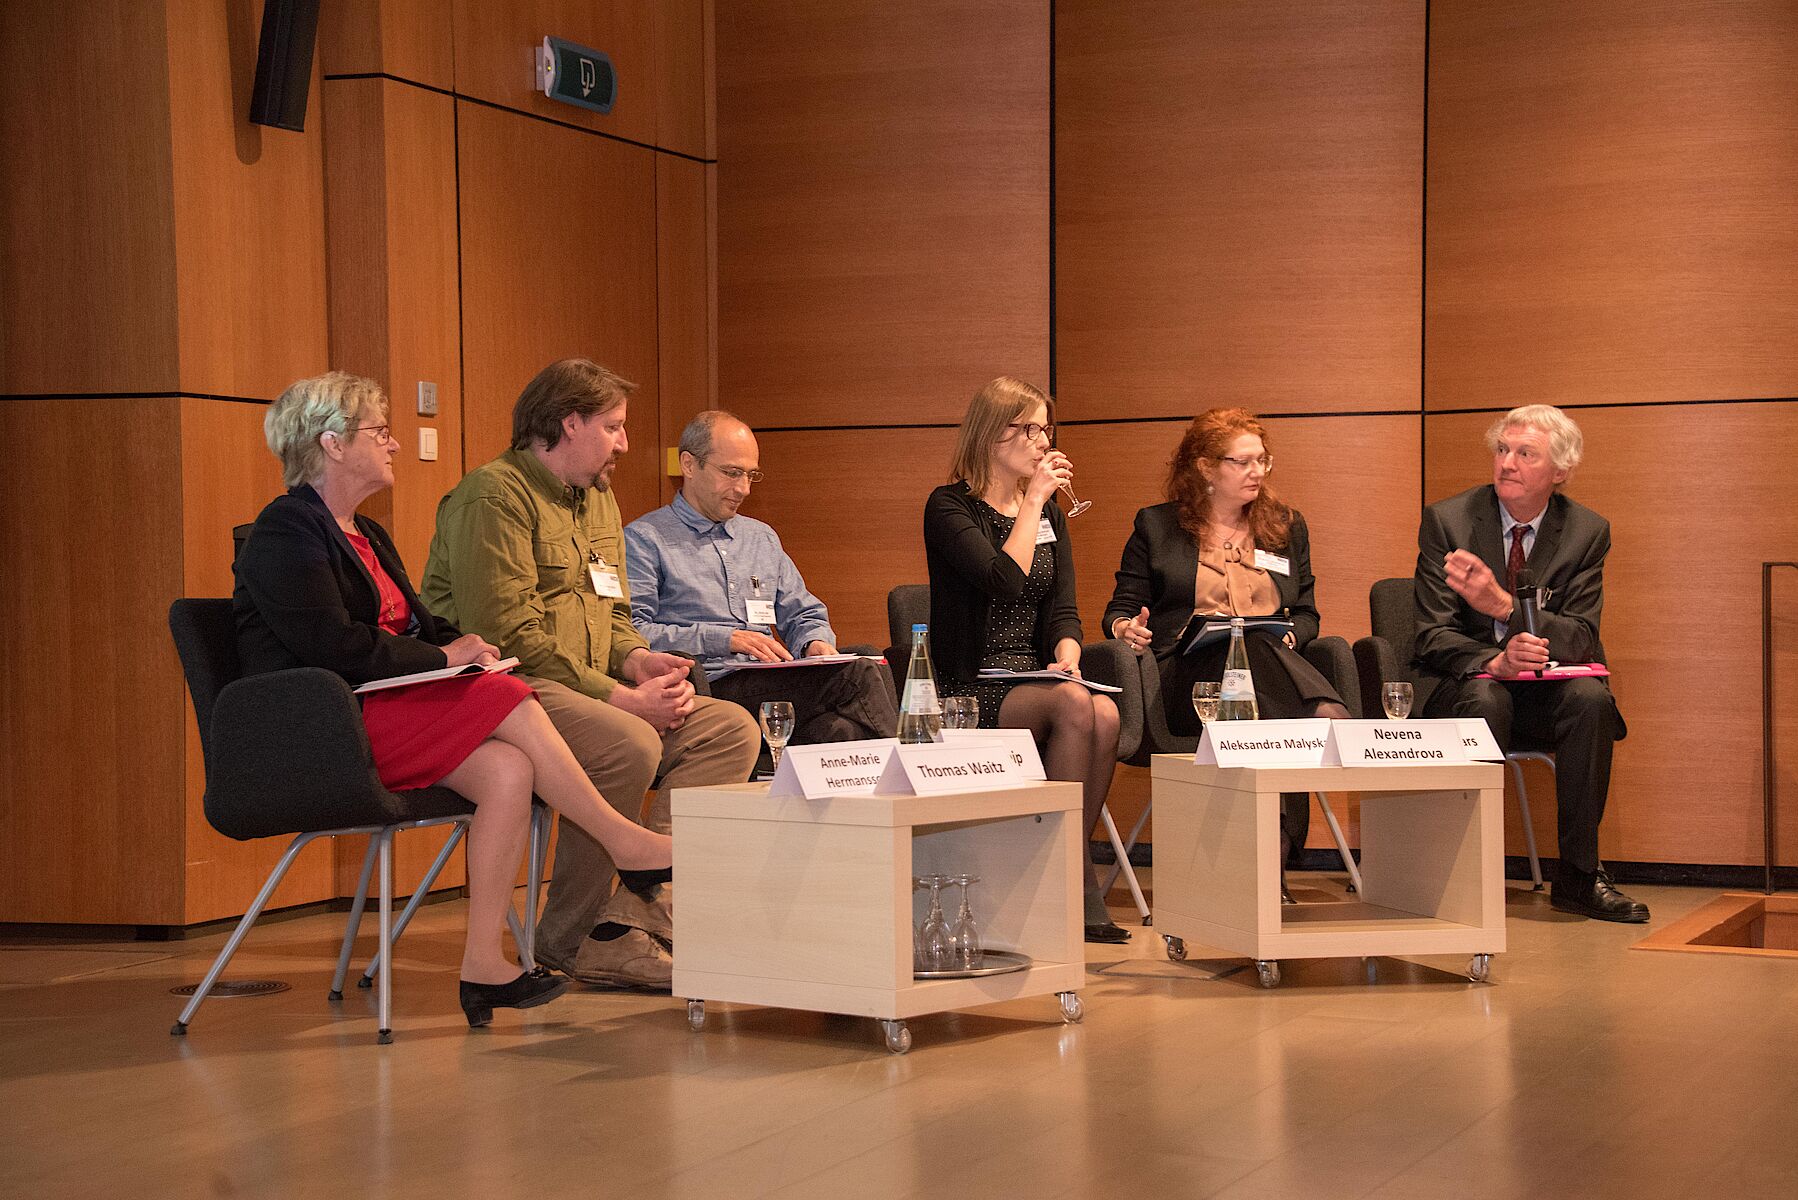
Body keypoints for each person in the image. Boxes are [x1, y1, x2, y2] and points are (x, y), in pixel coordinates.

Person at [233, 372, 673, 1027]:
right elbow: (333, 645)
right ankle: (623, 842)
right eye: (379, 432)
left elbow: (415, 625)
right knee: (507, 696)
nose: (394, 444)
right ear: (331, 443)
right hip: (324, 727)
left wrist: (465, 647)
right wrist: (446, 660)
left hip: (382, 708)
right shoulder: (285, 529)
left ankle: (484, 965)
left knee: (508, 768)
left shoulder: (366, 532)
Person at [421, 359, 760, 990]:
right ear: (569, 423)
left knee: (730, 729)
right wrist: (622, 699)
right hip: (505, 690)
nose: (625, 444)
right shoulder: (493, 497)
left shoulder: (598, 498)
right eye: (613, 427)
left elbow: (614, 613)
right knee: (626, 741)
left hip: (584, 684)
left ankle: (632, 921)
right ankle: (572, 937)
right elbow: (509, 636)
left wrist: (639, 661)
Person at [1413, 404, 1644, 922]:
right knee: (1487, 697)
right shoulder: (1449, 521)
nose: (1507, 463)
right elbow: (1431, 634)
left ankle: (1580, 877)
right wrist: (1495, 660)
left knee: (1590, 700)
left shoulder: (1586, 531)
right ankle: (1465, 872)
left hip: (1542, 692)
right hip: (1467, 685)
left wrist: (1503, 607)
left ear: (1559, 471)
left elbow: (1580, 637)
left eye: (1525, 453)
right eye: (1502, 449)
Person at [1104, 409, 1350, 886]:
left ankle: (1269, 853)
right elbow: (1121, 608)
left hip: (1269, 672)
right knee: (1254, 658)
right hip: (1189, 682)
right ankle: (1322, 715)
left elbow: (1307, 614)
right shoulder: (1158, 526)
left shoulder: (1286, 526)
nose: (1257, 471)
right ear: (1206, 468)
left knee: (1257, 654)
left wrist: (1290, 635)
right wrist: (1125, 628)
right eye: (1243, 462)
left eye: (1263, 460)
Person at [923, 376, 1126, 944]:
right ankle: (1069, 884)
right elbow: (1003, 580)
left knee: (1103, 711)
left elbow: (1063, 610)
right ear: (993, 433)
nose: (1044, 442)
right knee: (1075, 707)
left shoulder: (1052, 518)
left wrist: (1067, 655)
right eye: (1031, 429)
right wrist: (1033, 501)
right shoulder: (950, 507)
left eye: (1046, 429)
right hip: (970, 683)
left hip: (1033, 674)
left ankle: (1065, 870)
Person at [624, 410, 898, 745]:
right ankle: (910, 767)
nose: (743, 489)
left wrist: (813, 643)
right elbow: (634, 632)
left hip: (769, 679)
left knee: (861, 681)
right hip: (712, 685)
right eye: (731, 473)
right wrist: (723, 638)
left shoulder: (761, 538)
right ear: (689, 465)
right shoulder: (645, 539)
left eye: (750, 475)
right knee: (857, 675)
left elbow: (804, 612)